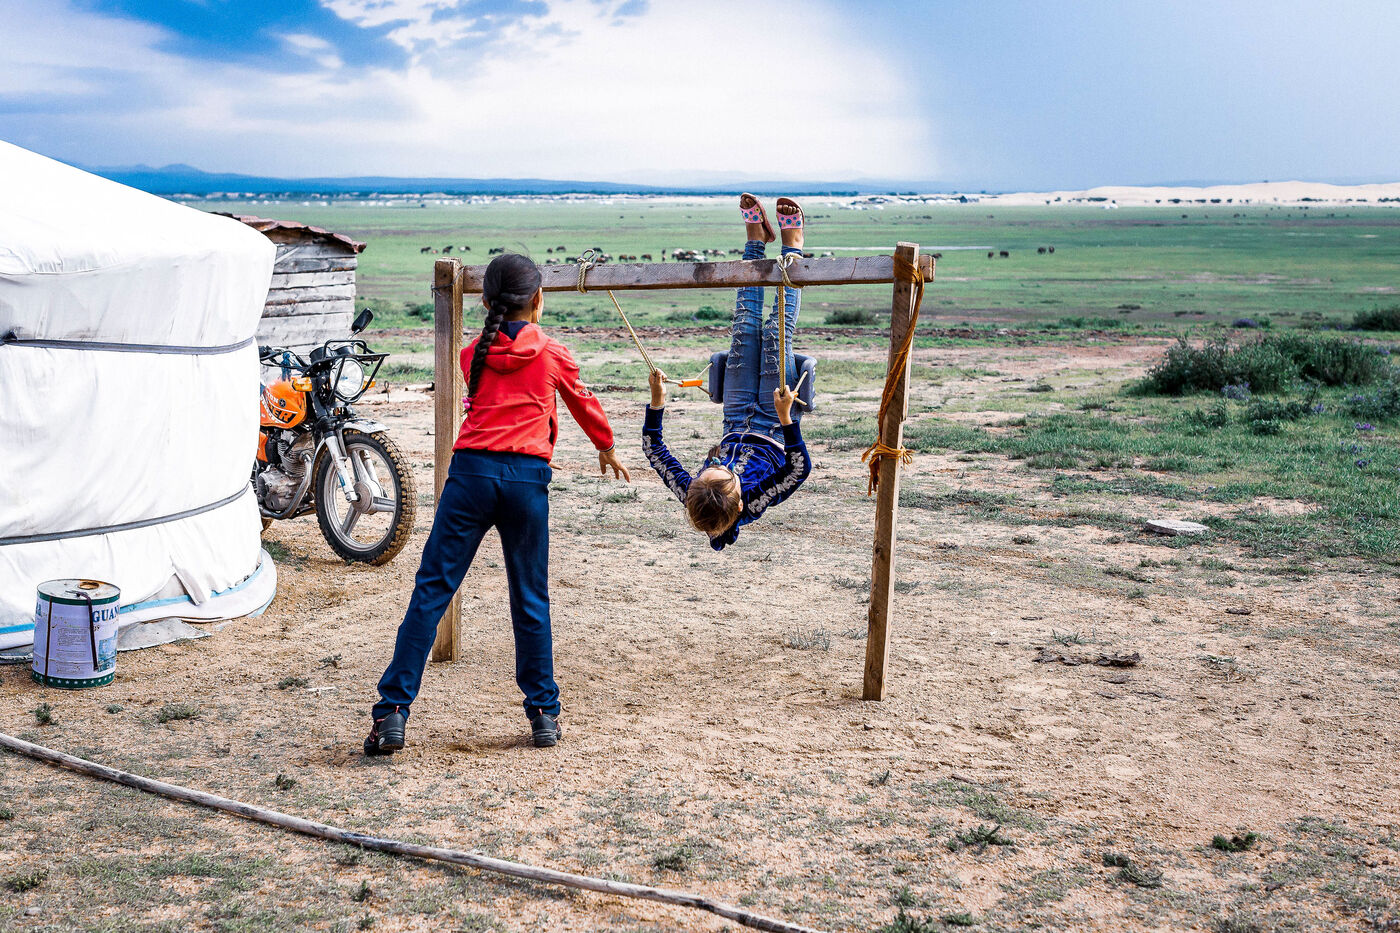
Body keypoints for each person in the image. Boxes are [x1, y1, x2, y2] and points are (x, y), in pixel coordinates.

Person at [366, 253, 630, 754]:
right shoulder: (554, 353)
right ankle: (543, 713)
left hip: (469, 477)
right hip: (526, 483)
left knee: (432, 591)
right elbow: (582, 402)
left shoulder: (473, 354)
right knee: (530, 597)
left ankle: (392, 712)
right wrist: (606, 445)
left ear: (485, 302)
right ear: (538, 300)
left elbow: (491, 402)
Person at [643, 194, 812, 550]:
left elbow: (654, 449)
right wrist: (787, 419)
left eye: (711, 466)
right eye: (725, 470)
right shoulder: (753, 502)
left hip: (735, 417)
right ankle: (792, 250)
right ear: (738, 503)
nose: (719, 462)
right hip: (773, 423)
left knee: (743, 327)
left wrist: (657, 403)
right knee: (775, 334)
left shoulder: (693, 493)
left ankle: (755, 243)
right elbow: (798, 469)